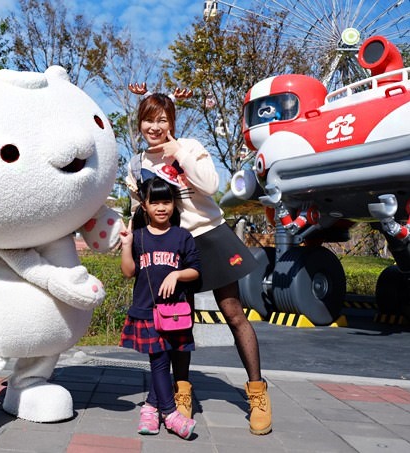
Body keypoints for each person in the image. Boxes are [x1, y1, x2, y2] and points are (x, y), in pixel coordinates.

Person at [125, 82, 273, 436]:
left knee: (234, 314)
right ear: (140, 124)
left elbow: (209, 185)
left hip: (210, 236)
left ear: (172, 121)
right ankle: (181, 393)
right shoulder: (137, 163)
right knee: (176, 322)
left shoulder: (189, 147)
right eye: (148, 121)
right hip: (172, 245)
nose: (154, 127)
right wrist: (132, 244)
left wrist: (179, 153)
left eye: (161, 120)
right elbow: (136, 210)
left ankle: (257, 393)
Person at [119, 176, 199, 440]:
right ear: (145, 206)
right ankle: (171, 413)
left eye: (167, 201)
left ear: (174, 204)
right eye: (155, 202)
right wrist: (127, 245)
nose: (161, 208)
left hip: (174, 312)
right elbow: (129, 272)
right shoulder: (139, 237)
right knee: (160, 361)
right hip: (146, 309)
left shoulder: (182, 237)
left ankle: (150, 409)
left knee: (162, 360)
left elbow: (195, 270)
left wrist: (176, 275)